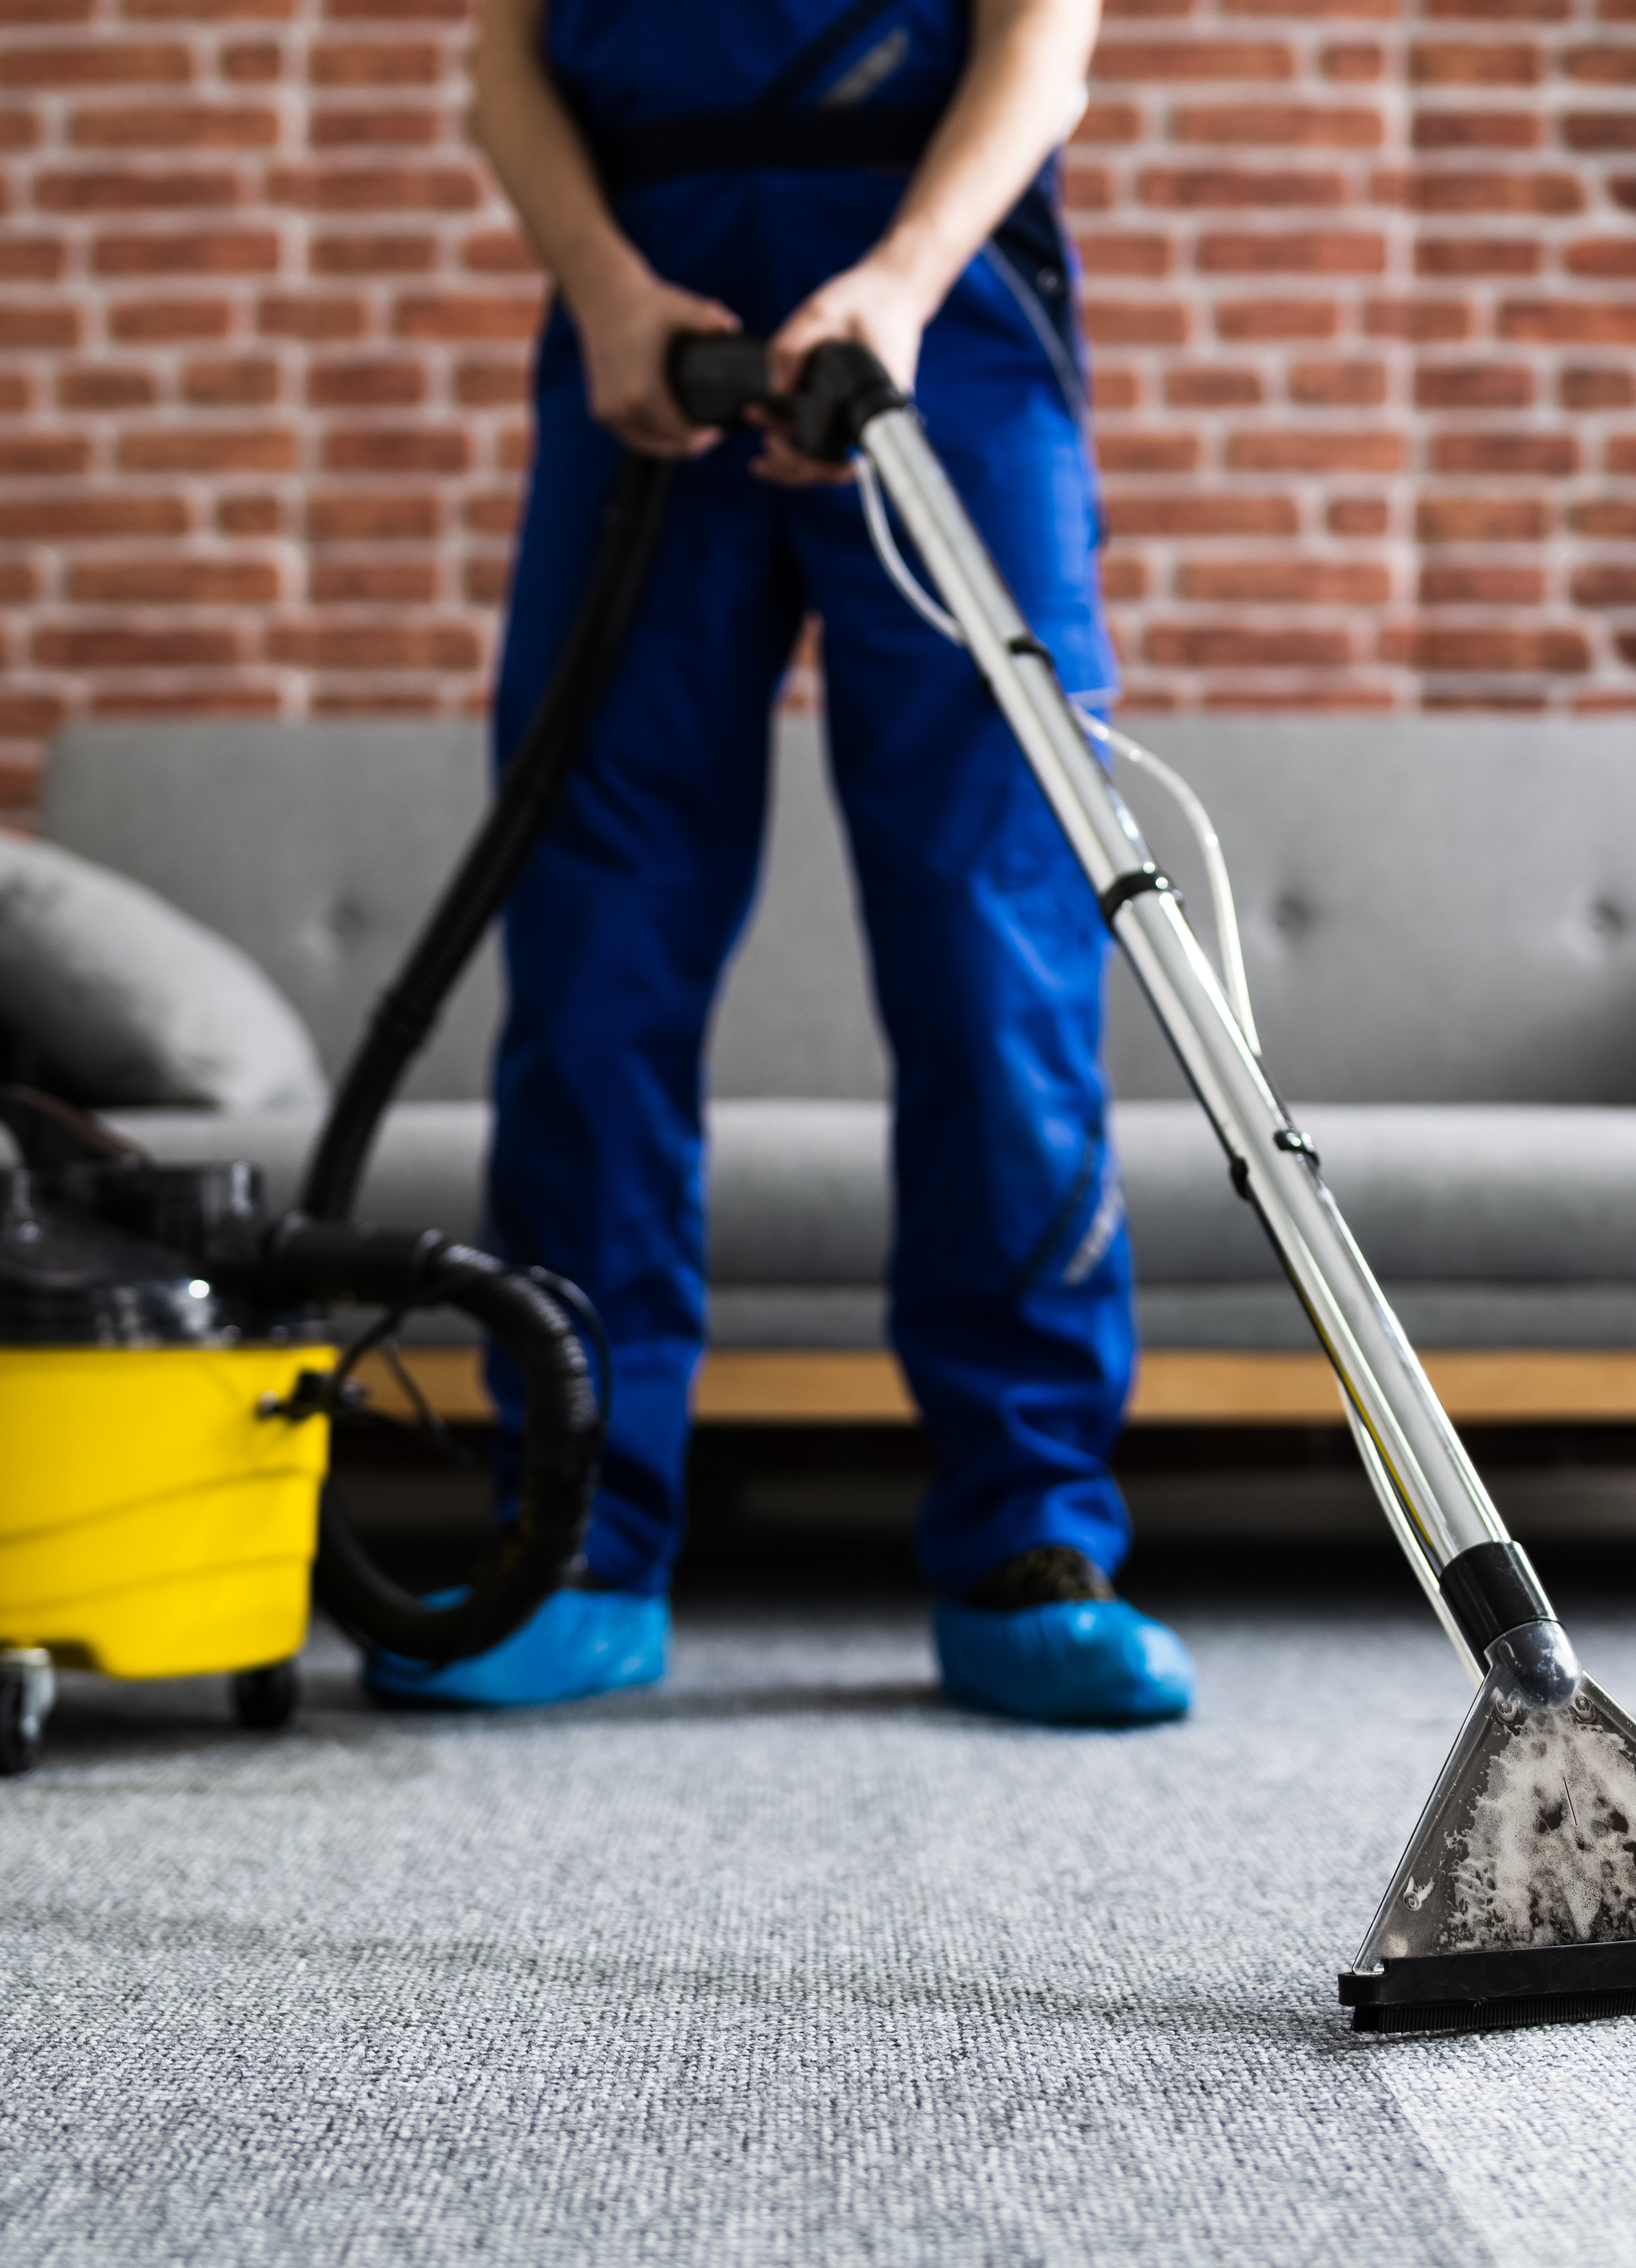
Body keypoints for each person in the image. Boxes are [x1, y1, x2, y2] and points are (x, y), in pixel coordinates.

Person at [362, 0, 1192, 1727]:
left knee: (998, 957)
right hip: (644, 328)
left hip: (939, 328)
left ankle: (1028, 1541)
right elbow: (505, 54)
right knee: (596, 954)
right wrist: (597, 282)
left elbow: (1045, 44)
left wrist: (899, 280)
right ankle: (574, 1538)